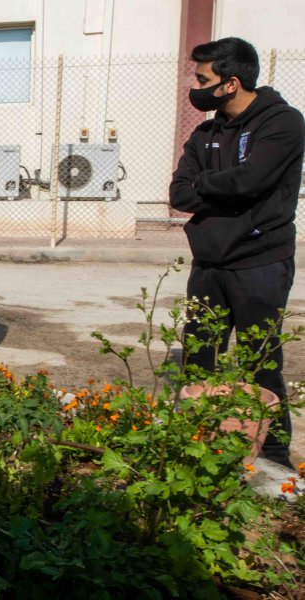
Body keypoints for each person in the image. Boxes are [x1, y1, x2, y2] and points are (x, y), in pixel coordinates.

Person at [170, 37, 304, 468]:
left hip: (259, 261)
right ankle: (197, 443)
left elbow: (252, 181)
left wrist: (206, 187)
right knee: (198, 356)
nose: (196, 85)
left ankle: (275, 454)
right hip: (209, 263)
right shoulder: (204, 133)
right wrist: (223, 187)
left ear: (229, 83)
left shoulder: (283, 123)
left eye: (202, 78)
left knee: (260, 360)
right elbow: (178, 193)